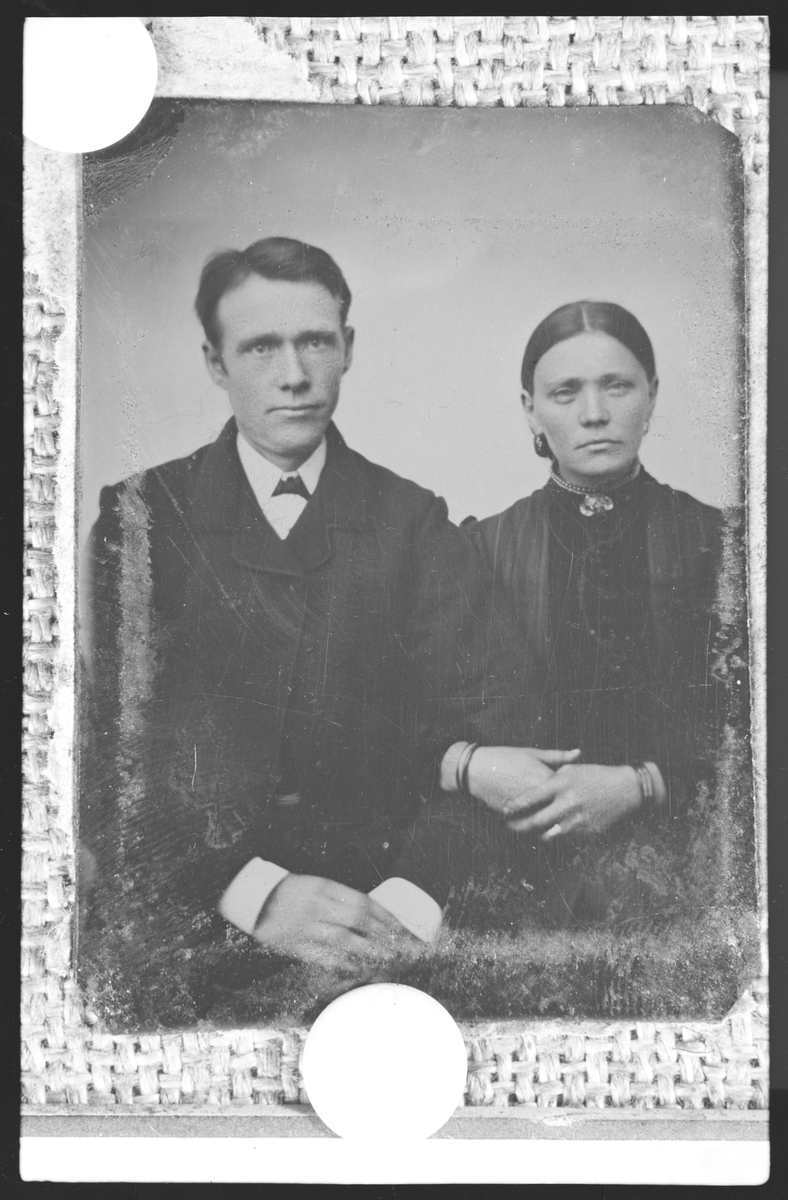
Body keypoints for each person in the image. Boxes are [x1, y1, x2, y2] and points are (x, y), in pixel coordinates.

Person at [80, 236, 569, 1021]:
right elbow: (114, 759)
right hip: (197, 925)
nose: (294, 374)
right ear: (214, 362)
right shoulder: (141, 519)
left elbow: (505, 731)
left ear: (348, 348)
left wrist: (405, 907)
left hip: (392, 928)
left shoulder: (412, 521)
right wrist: (254, 892)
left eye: (315, 341)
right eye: (261, 346)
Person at [463, 300, 746, 925]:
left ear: (652, 395)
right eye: (565, 392)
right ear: (530, 410)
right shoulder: (483, 549)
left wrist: (642, 783)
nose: (594, 413)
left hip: (687, 876)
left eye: (616, 386)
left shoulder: (723, 543)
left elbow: (753, 726)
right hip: (519, 878)